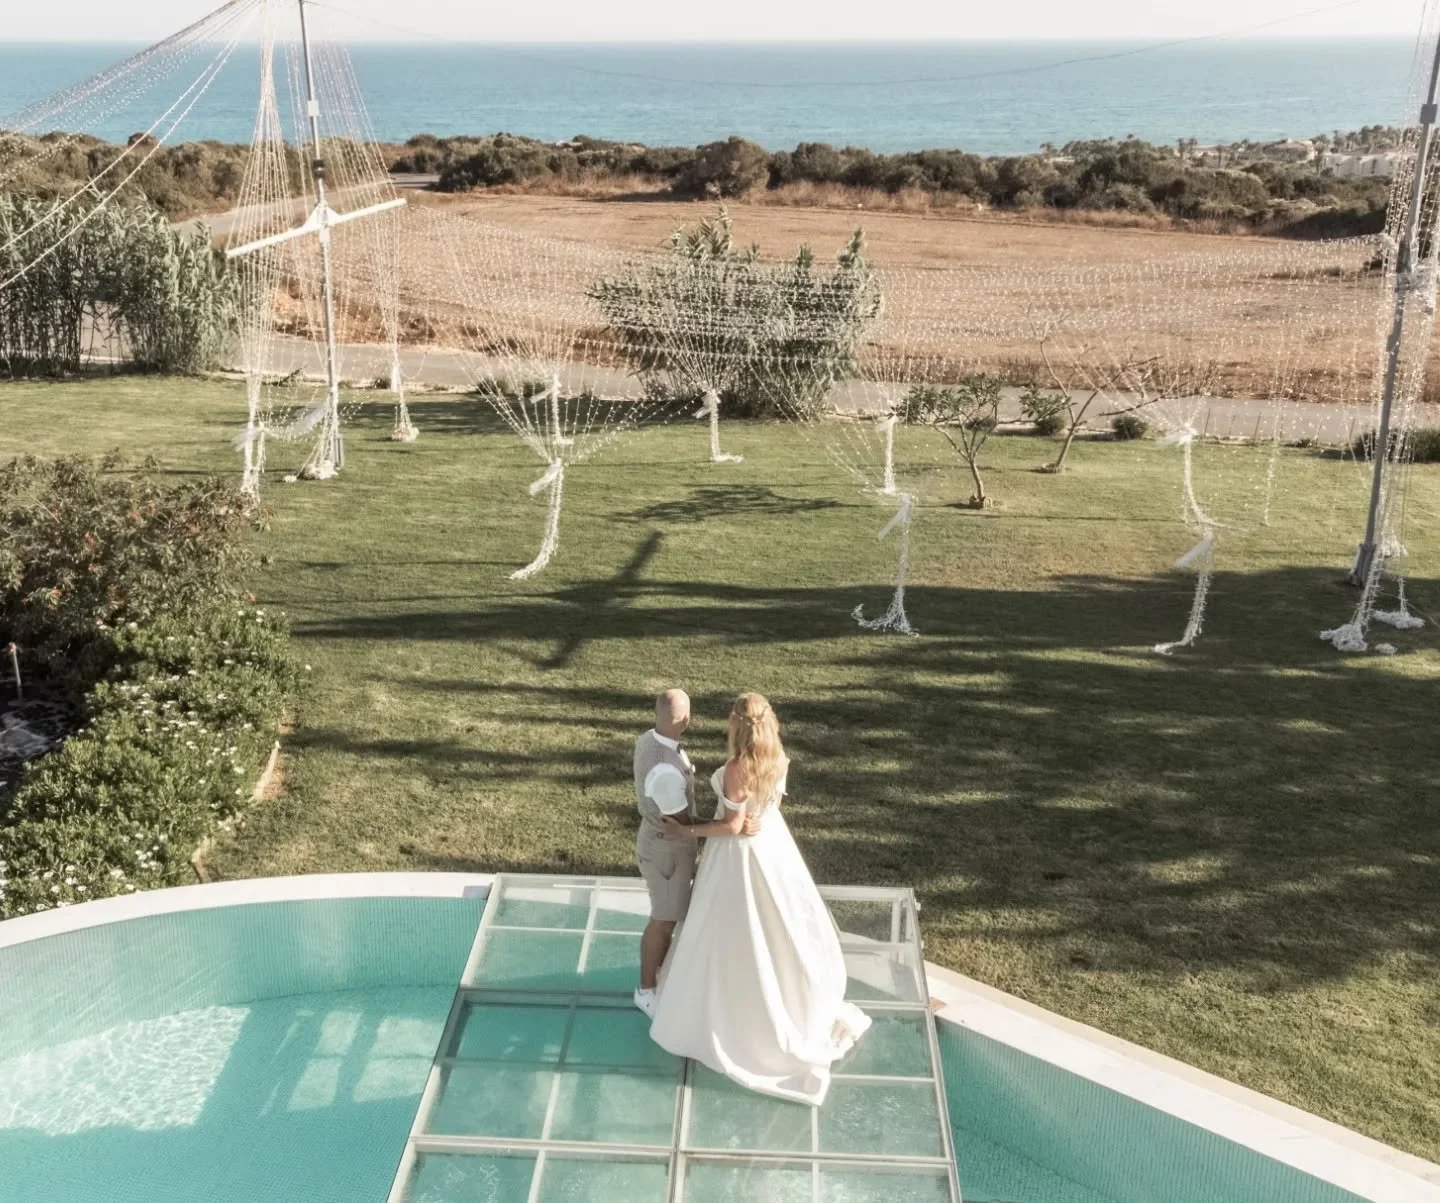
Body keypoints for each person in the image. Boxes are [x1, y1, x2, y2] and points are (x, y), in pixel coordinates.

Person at [650, 692, 871, 1106]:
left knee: (734, 927)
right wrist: (754, 815)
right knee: (779, 926)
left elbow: (732, 827)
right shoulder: (777, 756)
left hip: (740, 857)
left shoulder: (737, 768)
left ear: (735, 726)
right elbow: (770, 802)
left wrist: (687, 831)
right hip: (773, 844)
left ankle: (730, 1013)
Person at [632, 688, 755, 1019]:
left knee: (667, 916)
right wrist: (729, 824)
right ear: (685, 720)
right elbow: (681, 823)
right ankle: (646, 990)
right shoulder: (667, 773)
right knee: (663, 919)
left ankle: (658, 977)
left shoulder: (648, 740)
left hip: (659, 843)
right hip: (667, 852)